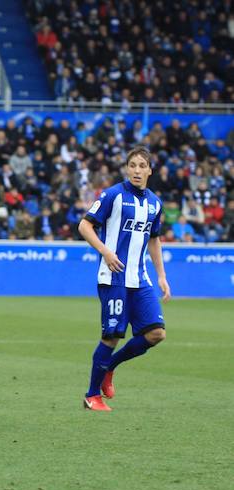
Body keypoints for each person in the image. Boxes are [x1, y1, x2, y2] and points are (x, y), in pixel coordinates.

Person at [77, 146, 171, 412]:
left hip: (140, 280)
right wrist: (105, 251)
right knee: (112, 336)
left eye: (142, 166)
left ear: (150, 170)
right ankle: (91, 396)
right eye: (132, 165)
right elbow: (84, 225)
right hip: (114, 277)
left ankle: (111, 367)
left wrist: (162, 276)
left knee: (156, 334)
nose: (137, 170)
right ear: (127, 169)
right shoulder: (113, 195)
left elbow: (154, 239)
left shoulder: (155, 203)